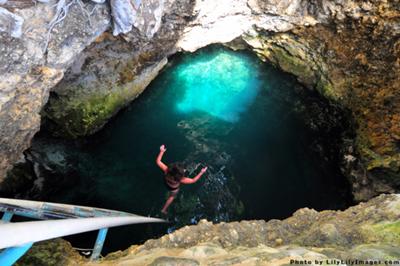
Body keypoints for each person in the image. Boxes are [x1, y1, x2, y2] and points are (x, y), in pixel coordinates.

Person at [156, 144, 207, 214]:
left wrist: (161, 151)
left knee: (169, 186)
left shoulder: (166, 170)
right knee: (171, 197)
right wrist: (201, 172)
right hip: (173, 188)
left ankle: (164, 209)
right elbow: (193, 180)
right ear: (181, 174)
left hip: (166, 182)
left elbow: (158, 161)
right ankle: (163, 209)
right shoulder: (181, 179)